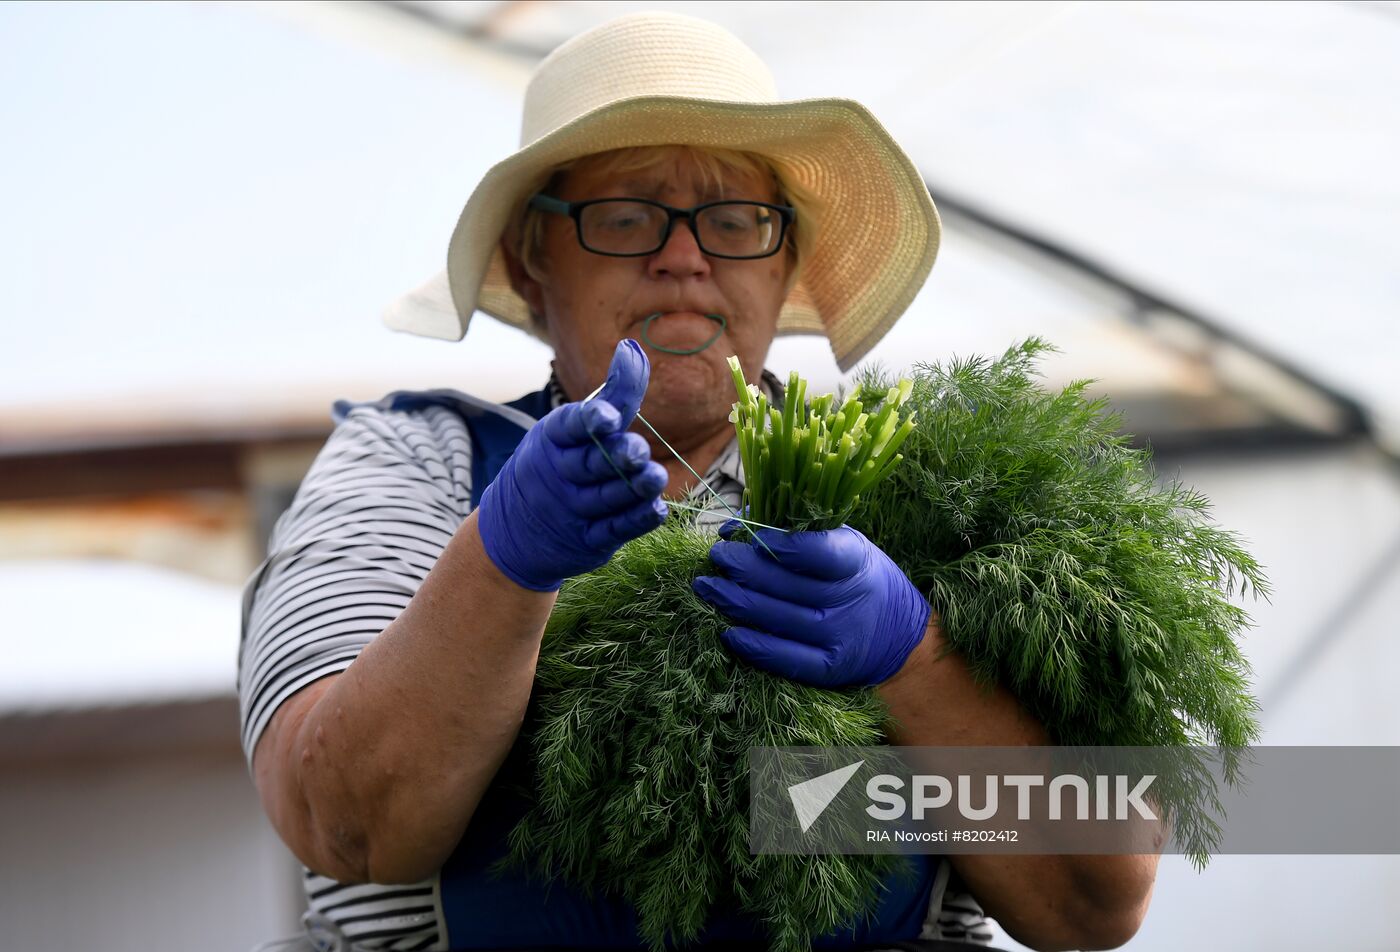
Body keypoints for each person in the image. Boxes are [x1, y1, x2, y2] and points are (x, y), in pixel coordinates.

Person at [238, 12, 1159, 952]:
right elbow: (342, 825)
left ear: (785, 258)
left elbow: (1095, 904)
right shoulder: (415, 464)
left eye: (735, 220)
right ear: (530, 257)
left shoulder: (935, 493)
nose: (685, 257)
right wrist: (500, 565)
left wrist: (915, 655)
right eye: (626, 215)